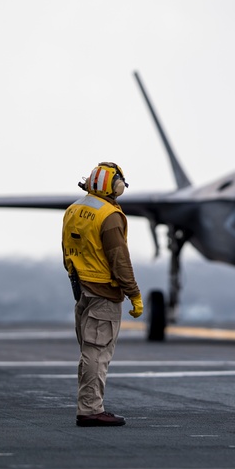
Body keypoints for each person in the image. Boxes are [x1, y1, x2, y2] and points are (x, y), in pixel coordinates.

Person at [62, 161, 143, 427]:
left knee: (88, 351)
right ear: (114, 185)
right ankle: (90, 409)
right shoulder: (109, 215)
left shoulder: (74, 209)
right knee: (97, 353)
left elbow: (67, 251)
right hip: (104, 292)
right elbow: (120, 260)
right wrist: (134, 294)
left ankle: (89, 405)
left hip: (82, 288)